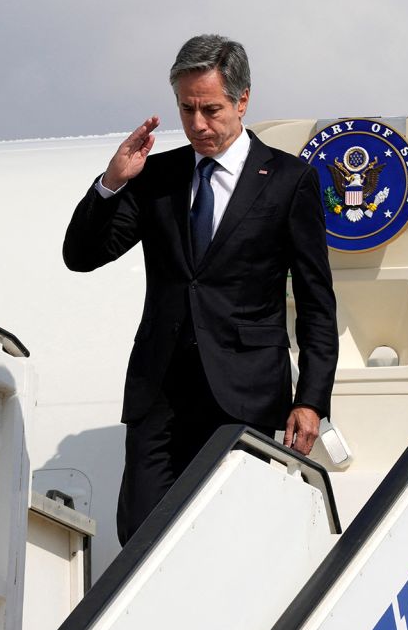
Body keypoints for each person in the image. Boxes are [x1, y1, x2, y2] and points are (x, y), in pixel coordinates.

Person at [63, 34, 338, 545]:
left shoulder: (288, 180)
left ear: (242, 101)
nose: (197, 124)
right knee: (141, 534)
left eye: (210, 109)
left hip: (246, 391)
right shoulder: (157, 175)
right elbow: (82, 257)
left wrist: (312, 399)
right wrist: (111, 183)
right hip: (160, 390)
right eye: (186, 109)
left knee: (234, 534)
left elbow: (318, 304)